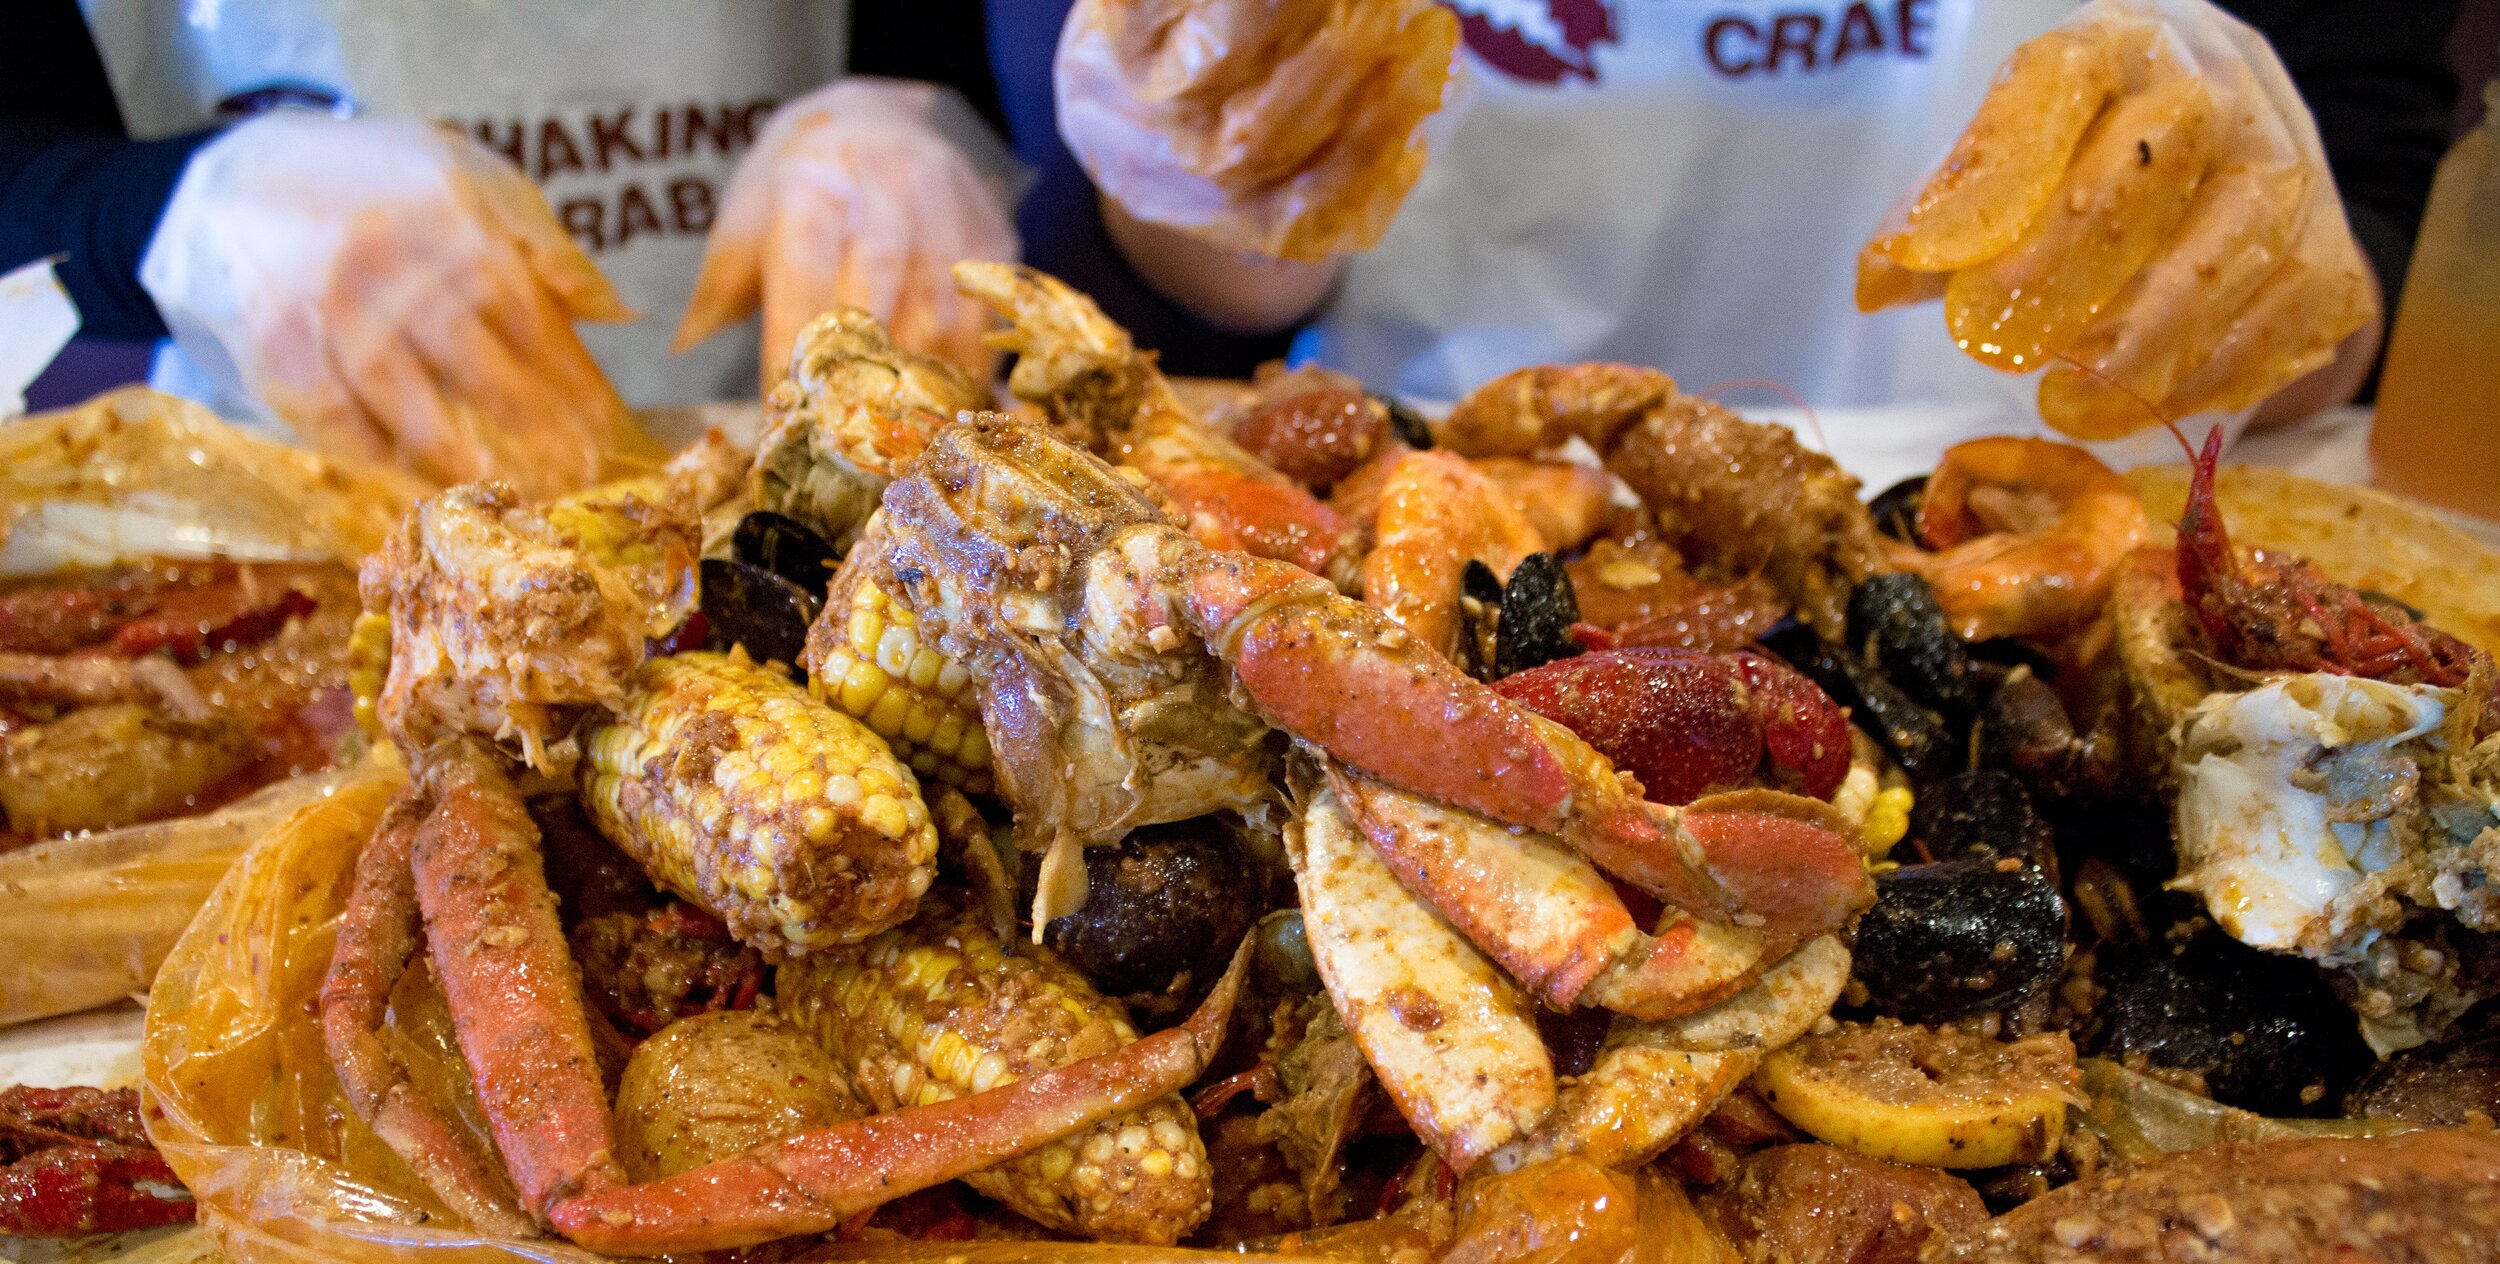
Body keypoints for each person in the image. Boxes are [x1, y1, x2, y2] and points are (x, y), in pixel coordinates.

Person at [975, 0, 2462, 430]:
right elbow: (1157, 298)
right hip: (1401, 483)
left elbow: (2364, 273)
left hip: (2045, 499)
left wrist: (2269, 279)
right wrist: (1210, 161)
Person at [1, 0, 1017, 494]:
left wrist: (906, 126)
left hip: (787, 466)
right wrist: (174, 209)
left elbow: (947, 47)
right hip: (298, 483)